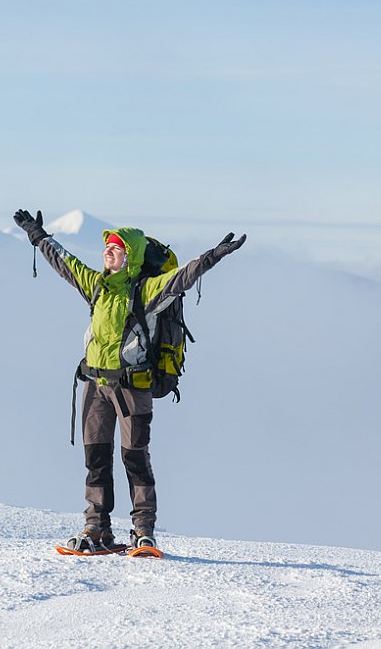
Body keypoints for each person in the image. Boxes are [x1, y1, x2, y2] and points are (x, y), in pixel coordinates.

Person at [13, 209, 246, 553]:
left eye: (117, 248)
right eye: (107, 247)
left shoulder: (146, 290)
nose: (108, 252)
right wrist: (37, 235)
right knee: (96, 459)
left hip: (132, 388)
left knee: (135, 459)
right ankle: (96, 529)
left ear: (131, 256)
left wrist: (212, 256)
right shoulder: (97, 286)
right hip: (94, 386)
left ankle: (143, 530)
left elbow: (182, 277)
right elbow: (66, 263)